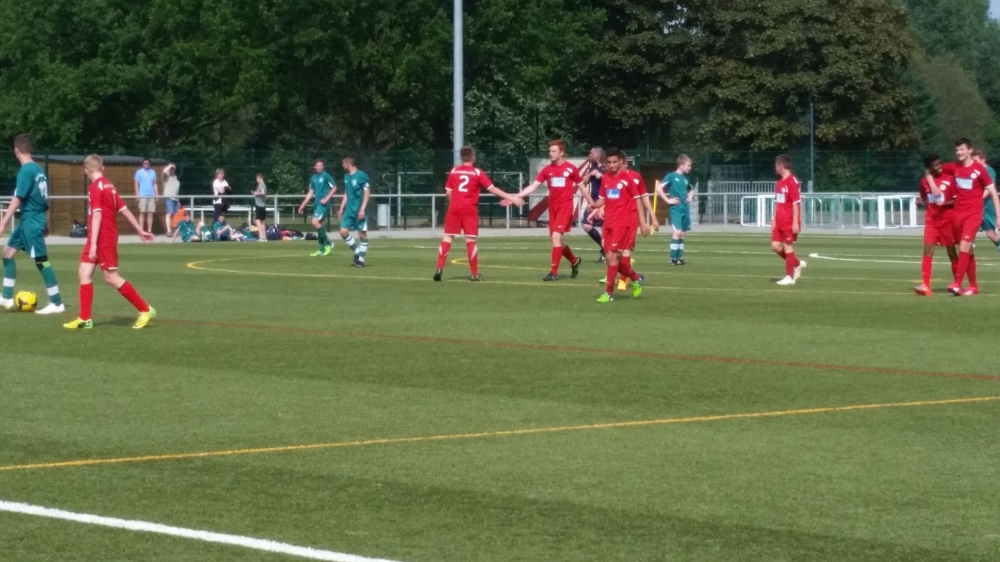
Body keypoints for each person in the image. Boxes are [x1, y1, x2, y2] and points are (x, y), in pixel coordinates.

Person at [64, 155, 156, 330]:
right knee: (84, 272)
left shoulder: (95, 187)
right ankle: (85, 318)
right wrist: (139, 230)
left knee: (111, 277)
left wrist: (93, 245)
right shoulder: (109, 185)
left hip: (103, 238)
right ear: (103, 168)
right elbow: (124, 209)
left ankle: (145, 309)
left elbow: (97, 215)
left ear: (85, 171)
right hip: (97, 237)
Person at [434, 145, 524, 281]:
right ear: (473, 157)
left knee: (447, 237)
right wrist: (512, 198)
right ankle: (474, 274)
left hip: (454, 208)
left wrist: (455, 203)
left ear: (461, 157)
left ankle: (439, 269)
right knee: (470, 240)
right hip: (470, 209)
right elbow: (492, 189)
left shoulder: (454, 171)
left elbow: (448, 192)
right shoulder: (477, 172)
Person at [0, 134, 65, 314]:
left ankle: (57, 302)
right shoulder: (39, 170)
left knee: (41, 261)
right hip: (31, 220)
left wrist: (3, 223)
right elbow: (45, 199)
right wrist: (47, 221)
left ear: (16, 150)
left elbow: (17, 199)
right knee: (7, 253)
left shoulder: (26, 171)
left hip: (32, 221)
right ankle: (6, 297)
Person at [511, 140, 590, 281]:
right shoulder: (547, 170)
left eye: (554, 151)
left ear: (562, 153)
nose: (551, 153)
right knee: (556, 241)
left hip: (565, 207)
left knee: (556, 237)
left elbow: (582, 187)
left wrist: (592, 203)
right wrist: (517, 196)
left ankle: (553, 273)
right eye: (549, 151)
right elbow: (533, 186)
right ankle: (574, 260)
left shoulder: (571, 169)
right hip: (553, 208)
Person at [942, 138, 1000, 296]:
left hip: (973, 214)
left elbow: (994, 193)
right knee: (968, 251)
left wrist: (998, 216)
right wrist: (930, 177)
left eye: (962, 149)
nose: (959, 152)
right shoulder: (954, 167)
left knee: (964, 247)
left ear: (969, 150)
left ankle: (957, 284)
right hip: (957, 215)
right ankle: (974, 286)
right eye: (957, 150)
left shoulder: (979, 170)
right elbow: (936, 170)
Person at [589, 148, 648, 303]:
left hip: (622, 223)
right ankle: (635, 278)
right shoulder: (606, 178)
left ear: (621, 162)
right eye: (609, 162)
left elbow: (638, 199)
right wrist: (594, 206)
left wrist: (642, 222)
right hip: (608, 223)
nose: (612, 165)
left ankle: (608, 293)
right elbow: (603, 199)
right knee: (611, 259)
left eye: (614, 162)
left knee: (612, 256)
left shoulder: (627, 179)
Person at [914, 154, 957, 296]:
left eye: (940, 163)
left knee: (951, 252)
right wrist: (920, 202)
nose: (940, 167)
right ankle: (926, 285)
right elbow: (923, 197)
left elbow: (956, 200)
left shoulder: (949, 179)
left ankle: (957, 283)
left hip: (947, 220)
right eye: (936, 165)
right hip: (931, 221)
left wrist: (944, 203)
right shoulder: (924, 182)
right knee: (927, 251)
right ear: (929, 168)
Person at [771, 154, 805, 286]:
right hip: (779, 220)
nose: (775, 168)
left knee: (787, 246)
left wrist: (795, 222)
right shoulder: (779, 183)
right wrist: (774, 219)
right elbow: (778, 203)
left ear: (780, 166)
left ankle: (790, 277)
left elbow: (796, 203)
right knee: (775, 246)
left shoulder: (792, 181)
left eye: (776, 165)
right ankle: (796, 264)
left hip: (789, 221)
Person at [656, 155, 694, 266]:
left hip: (685, 208)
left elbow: (691, 189)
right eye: (688, 165)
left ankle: (679, 258)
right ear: (681, 165)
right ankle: (673, 259)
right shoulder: (671, 176)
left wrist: (690, 197)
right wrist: (668, 200)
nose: (690, 168)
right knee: (677, 232)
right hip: (676, 209)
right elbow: (658, 188)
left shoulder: (686, 178)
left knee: (682, 233)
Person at [298, 159, 337, 256]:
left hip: (323, 204)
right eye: (318, 165)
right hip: (317, 204)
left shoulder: (326, 176)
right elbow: (310, 193)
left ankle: (328, 243)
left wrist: (326, 199)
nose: (320, 167)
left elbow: (334, 188)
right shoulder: (313, 178)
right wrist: (303, 205)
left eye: (321, 165)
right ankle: (321, 249)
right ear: (314, 167)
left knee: (314, 222)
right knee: (319, 225)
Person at [337, 156, 371, 267]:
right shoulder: (346, 176)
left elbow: (367, 192)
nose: (342, 165)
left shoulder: (361, 175)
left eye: (343, 163)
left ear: (348, 164)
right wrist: (341, 208)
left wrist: (362, 209)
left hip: (359, 210)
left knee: (362, 234)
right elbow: (347, 193)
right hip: (349, 210)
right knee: (343, 232)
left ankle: (361, 260)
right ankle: (357, 252)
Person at [577, 147, 606, 262]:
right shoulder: (593, 167)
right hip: (593, 201)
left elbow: (612, 180)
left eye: (591, 153)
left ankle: (606, 253)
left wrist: (601, 176)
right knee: (586, 225)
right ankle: (603, 248)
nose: (589, 155)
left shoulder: (605, 167)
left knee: (605, 228)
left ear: (597, 155)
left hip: (604, 201)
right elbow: (584, 181)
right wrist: (590, 174)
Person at [972, 149, 1000, 252]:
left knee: (991, 233)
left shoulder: (989, 170)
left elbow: (989, 189)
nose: (974, 163)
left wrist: (977, 199)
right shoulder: (975, 172)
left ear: (983, 159)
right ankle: (967, 253)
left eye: (976, 161)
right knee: (971, 230)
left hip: (988, 207)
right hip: (978, 208)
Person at [134, 158, 158, 235]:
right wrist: (137, 194)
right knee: (142, 212)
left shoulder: (153, 172)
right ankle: (141, 230)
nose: (146, 164)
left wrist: (156, 194)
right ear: (142, 164)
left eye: (147, 163)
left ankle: (149, 231)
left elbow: (155, 184)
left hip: (151, 195)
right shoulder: (139, 172)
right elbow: (136, 183)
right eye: (144, 163)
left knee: (150, 213)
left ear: (149, 164)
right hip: (142, 195)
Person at [162, 163, 180, 236]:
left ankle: (171, 230)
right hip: (168, 197)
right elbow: (164, 171)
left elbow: (177, 191)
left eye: (173, 169)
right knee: (169, 213)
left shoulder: (176, 179)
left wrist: (178, 201)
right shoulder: (166, 177)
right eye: (171, 169)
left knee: (173, 215)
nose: (172, 170)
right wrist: (170, 166)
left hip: (175, 199)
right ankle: (168, 231)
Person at [253, 173, 268, 242]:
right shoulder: (263, 185)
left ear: (261, 178)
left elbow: (263, 192)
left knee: (257, 220)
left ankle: (261, 237)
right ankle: (264, 237)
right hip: (263, 205)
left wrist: (256, 193)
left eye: (258, 178)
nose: (257, 180)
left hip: (259, 205)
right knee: (262, 221)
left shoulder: (261, 184)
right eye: (256, 178)